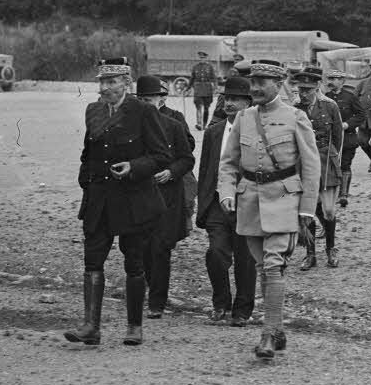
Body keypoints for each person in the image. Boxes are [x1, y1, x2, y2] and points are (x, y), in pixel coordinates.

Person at [218, 60, 321, 360]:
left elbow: (311, 166)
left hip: (284, 200)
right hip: (249, 201)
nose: (256, 87)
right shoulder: (244, 118)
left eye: (263, 82)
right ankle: (277, 329)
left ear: (279, 84)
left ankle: (266, 336)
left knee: (274, 266)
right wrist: (226, 192)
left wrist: (306, 210)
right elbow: (228, 163)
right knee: (263, 269)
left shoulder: (295, 117)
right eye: (253, 82)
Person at [65, 57, 172, 348]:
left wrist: (133, 167)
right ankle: (91, 326)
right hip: (99, 201)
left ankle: (134, 327)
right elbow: (88, 154)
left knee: (134, 264)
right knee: (92, 260)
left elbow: (162, 156)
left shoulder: (142, 112)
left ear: (126, 83)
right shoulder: (94, 111)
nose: (105, 88)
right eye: (101, 82)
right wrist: (86, 183)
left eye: (111, 82)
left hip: (133, 202)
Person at [196, 76, 258, 326]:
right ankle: (220, 302)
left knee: (245, 259)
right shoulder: (214, 132)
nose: (228, 103)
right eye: (226, 98)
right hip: (216, 205)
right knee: (216, 254)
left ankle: (242, 310)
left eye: (235, 99)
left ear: (248, 102)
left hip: (247, 204)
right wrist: (203, 205)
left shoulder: (257, 130)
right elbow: (205, 171)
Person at [134, 75, 196, 320]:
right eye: (141, 100)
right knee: (143, 247)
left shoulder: (175, 121)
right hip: (141, 194)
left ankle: (157, 301)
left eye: (149, 99)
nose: (145, 104)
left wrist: (170, 172)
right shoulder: (132, 122)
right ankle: (150, 286)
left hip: (168, 193)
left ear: (161, 98)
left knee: (161, 247)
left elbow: (187, 152)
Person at [294, 69, 344, 270]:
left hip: (326, 161)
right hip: (304, 162)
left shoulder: (330, 106)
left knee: (329, 211)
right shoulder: (295, 109)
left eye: (308, 89)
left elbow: (338, 136)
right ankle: (310, 253)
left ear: (317, 87)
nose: (304, 93)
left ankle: (331, 249)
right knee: (308, 210)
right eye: (301, 89)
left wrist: (335, 161)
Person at [327, 72, 363, 207]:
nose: (331, 81)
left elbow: (361, 115)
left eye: (334, 79)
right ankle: (332, 193)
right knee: (331, 166)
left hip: (347, 138)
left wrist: (347, 124)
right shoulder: (326, 97)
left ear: (342, 81)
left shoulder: (350, 97)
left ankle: (343, 195)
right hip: (330, 139)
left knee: (345, 165)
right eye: (330, 78)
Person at [190, 51, 218, 131]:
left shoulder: (210, 67)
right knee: (198, 107)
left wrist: (215, 87)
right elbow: (192, 78)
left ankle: (204, 124)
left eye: (203, 57)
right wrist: (187, 88)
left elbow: (214, 78)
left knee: (206, 108)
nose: (202, 59)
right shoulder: (195, 67)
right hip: (198, 89)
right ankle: (199, 124)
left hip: (207, 89)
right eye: (200, 57)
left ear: (206, 58)